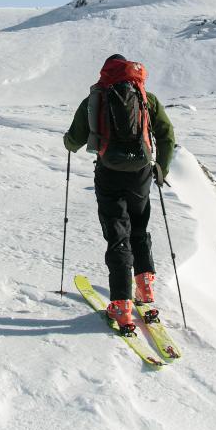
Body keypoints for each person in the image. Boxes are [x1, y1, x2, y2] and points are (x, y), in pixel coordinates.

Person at [62, 54, 175, 333]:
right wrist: (163, 167)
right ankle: (145, 287)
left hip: (109, 173)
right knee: (139, 227)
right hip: (141, 174)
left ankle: (121, 302)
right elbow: (167, 134)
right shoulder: (146, 98)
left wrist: (69, 143)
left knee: (117, 234)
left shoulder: (96, 98)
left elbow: (73, 139)